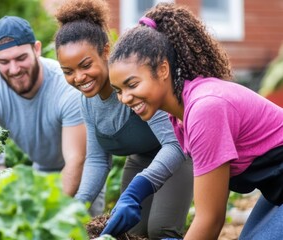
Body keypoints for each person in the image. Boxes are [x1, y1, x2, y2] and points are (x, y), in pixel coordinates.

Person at [106, 3, 283, 239]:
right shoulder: (180, 114)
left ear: (163, 70)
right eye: (118, 89)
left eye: (132, 84)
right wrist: (139, 190)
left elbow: (210, 220)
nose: (125, 98)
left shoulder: (204, 109)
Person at [54, 0, 193, 238]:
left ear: (106, 51)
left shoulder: (134, 85)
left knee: (160, 229)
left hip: (178, 152)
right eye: (68, 71)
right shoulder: (87, 102)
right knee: (132, 231)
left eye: (85, 65)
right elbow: (98, 160)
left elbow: (174, 142)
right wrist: (76, 207)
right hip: (140, 160)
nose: (79, 77)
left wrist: (139, 187)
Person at [0, 16, 99, 211]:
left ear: (37, 49)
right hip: (41, 169)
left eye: (21, 58)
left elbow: (76, 161)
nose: (14, 69)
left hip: (84, 173)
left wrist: (43, 215)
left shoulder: (65, 88)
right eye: (4, 61)